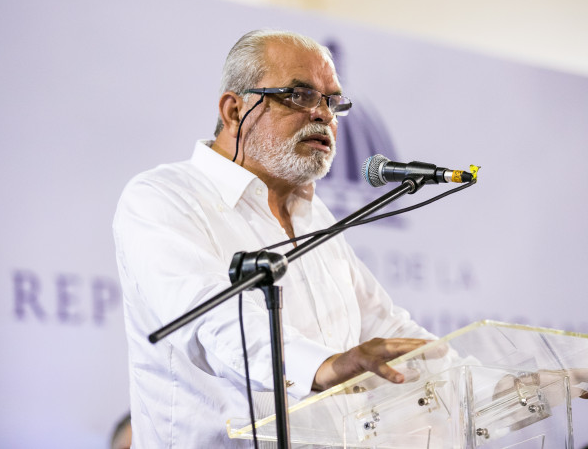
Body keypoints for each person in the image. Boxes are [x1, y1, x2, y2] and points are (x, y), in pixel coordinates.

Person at [113, 29, 435, 447]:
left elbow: (387, 327)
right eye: (300, 95)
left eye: (333, 102)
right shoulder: (164, 197)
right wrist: (322, 366)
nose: (323, 115)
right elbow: (211, 318)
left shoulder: (315, 218)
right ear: (234, 111)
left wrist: (496, 384)